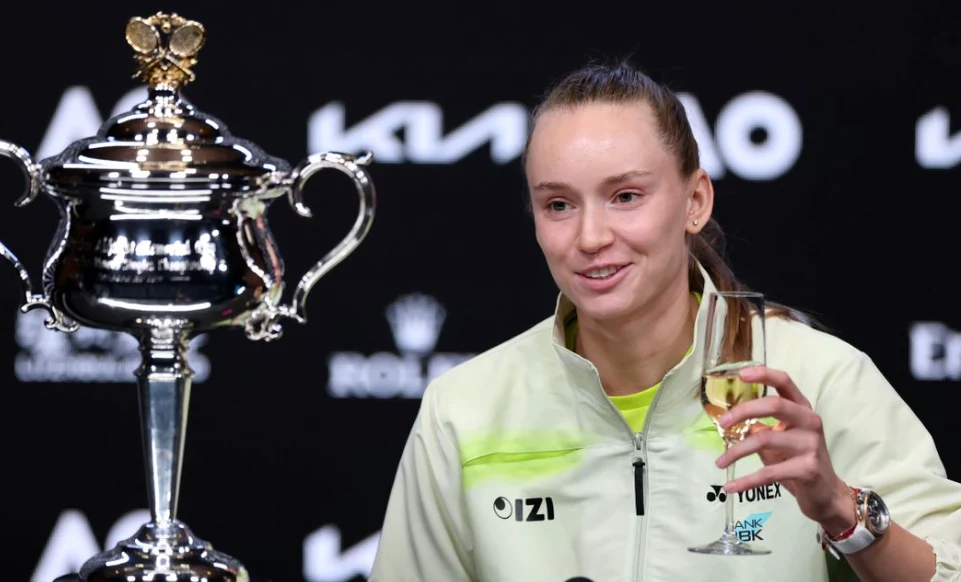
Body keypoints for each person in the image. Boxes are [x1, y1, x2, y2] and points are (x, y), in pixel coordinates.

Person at [367, 60, 961, 582]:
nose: (591, 237)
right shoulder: (463, 409)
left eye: (625, 196)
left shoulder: (819, 379)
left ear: (695, 202)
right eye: (558, 205)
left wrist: (842, 509)